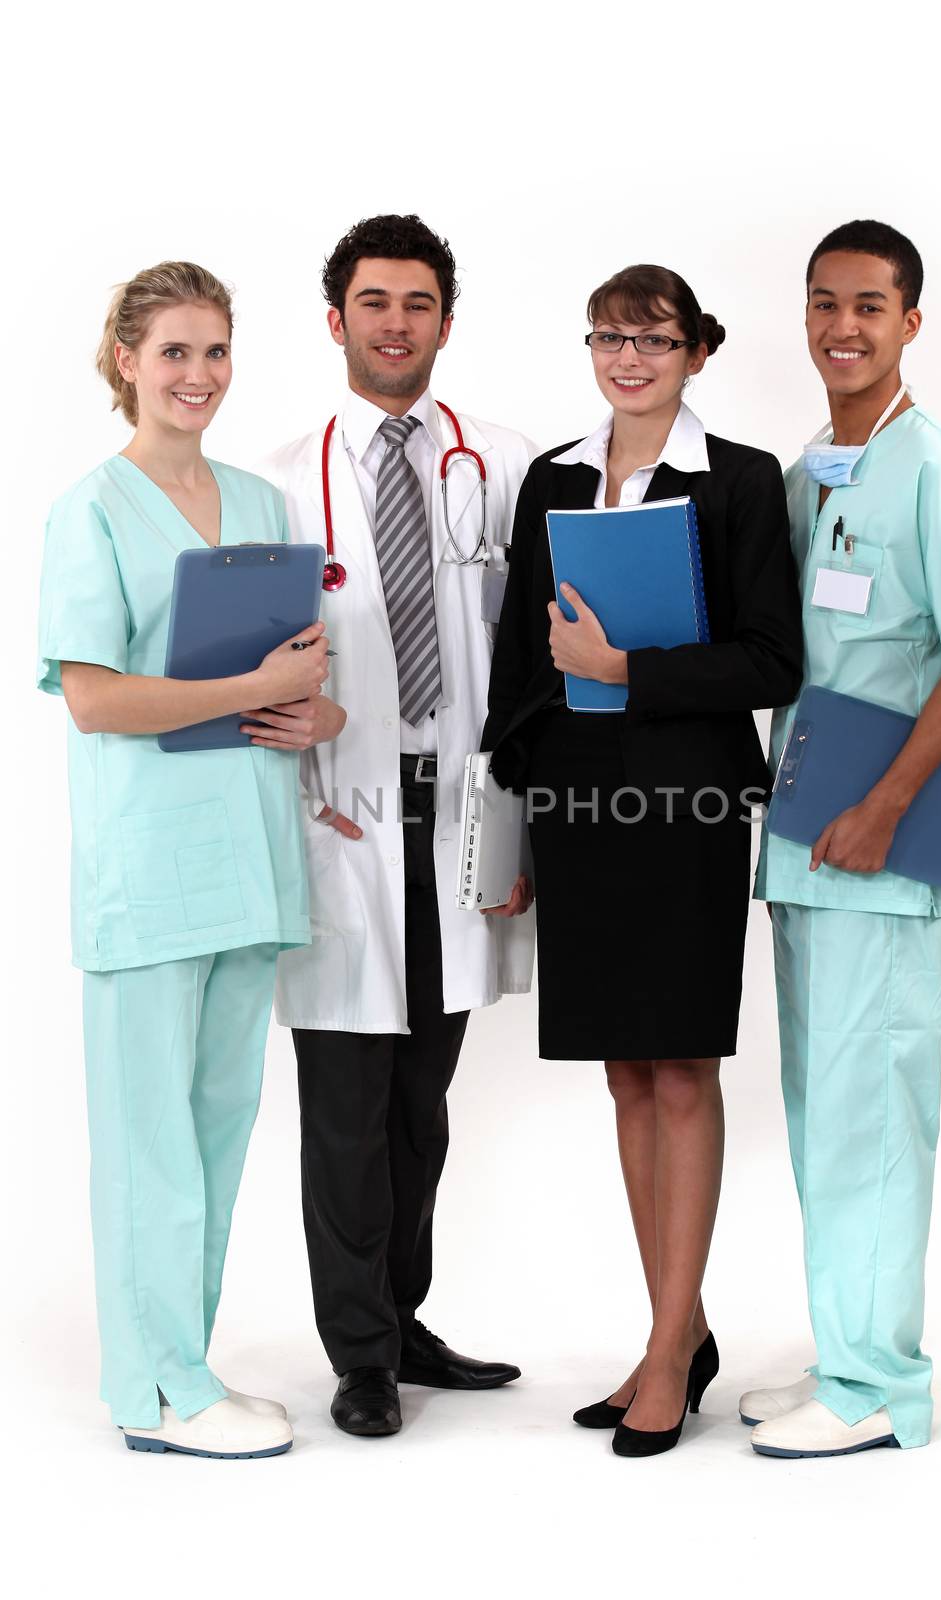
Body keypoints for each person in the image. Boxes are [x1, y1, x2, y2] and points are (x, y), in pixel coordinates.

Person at [482, 264, 804, 1457]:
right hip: (579, 807)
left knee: (680, 1071)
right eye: (610, 336)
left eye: (653, 339)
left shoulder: (739, 482)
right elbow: (521, 662)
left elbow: (774, 661)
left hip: (688, 806)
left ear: (695, 352)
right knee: (623, 1073)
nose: (628, 358)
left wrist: (630, 672)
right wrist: (510, 818)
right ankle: (678, 1325)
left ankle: (669, 1352)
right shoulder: (554, 480)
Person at [37, 261, 332, 1458]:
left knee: (214, 1132)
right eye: (173, 352)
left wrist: (316, 711)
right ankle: (148, 1389)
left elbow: (307, 679)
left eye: (215, 352)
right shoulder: (89, 510)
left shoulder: (262, 507)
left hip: (250, 860)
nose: (197, 375)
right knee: (147, 1140)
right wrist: (256, 685)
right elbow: (97, 700)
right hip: (152, 868)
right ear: (126, 362)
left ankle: (186, 1370)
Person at [257, 214, 536, 1440]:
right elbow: (244, 665)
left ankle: (402, 1318)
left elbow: (527, 651)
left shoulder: (505, 464)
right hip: (343, 813)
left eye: (416, 304)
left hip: (463, 805)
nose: (393, 324)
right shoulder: (275, 478)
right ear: (336, 320)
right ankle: (359, 1352)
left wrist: (527, 829)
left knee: (422, 1097)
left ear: (444, 322)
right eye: (372, 302)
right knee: (345, 1099)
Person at [743, 220, 941, 1458]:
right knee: (821, 1103)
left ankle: (878, 1385)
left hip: (879, 841)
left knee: (876, 1108)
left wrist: (886, 804)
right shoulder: (813, 472)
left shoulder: (930, 466)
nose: (839, 327)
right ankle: (843, 1348)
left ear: (909, 322)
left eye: (866, 305)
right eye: (820, 304)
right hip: (806, 835)